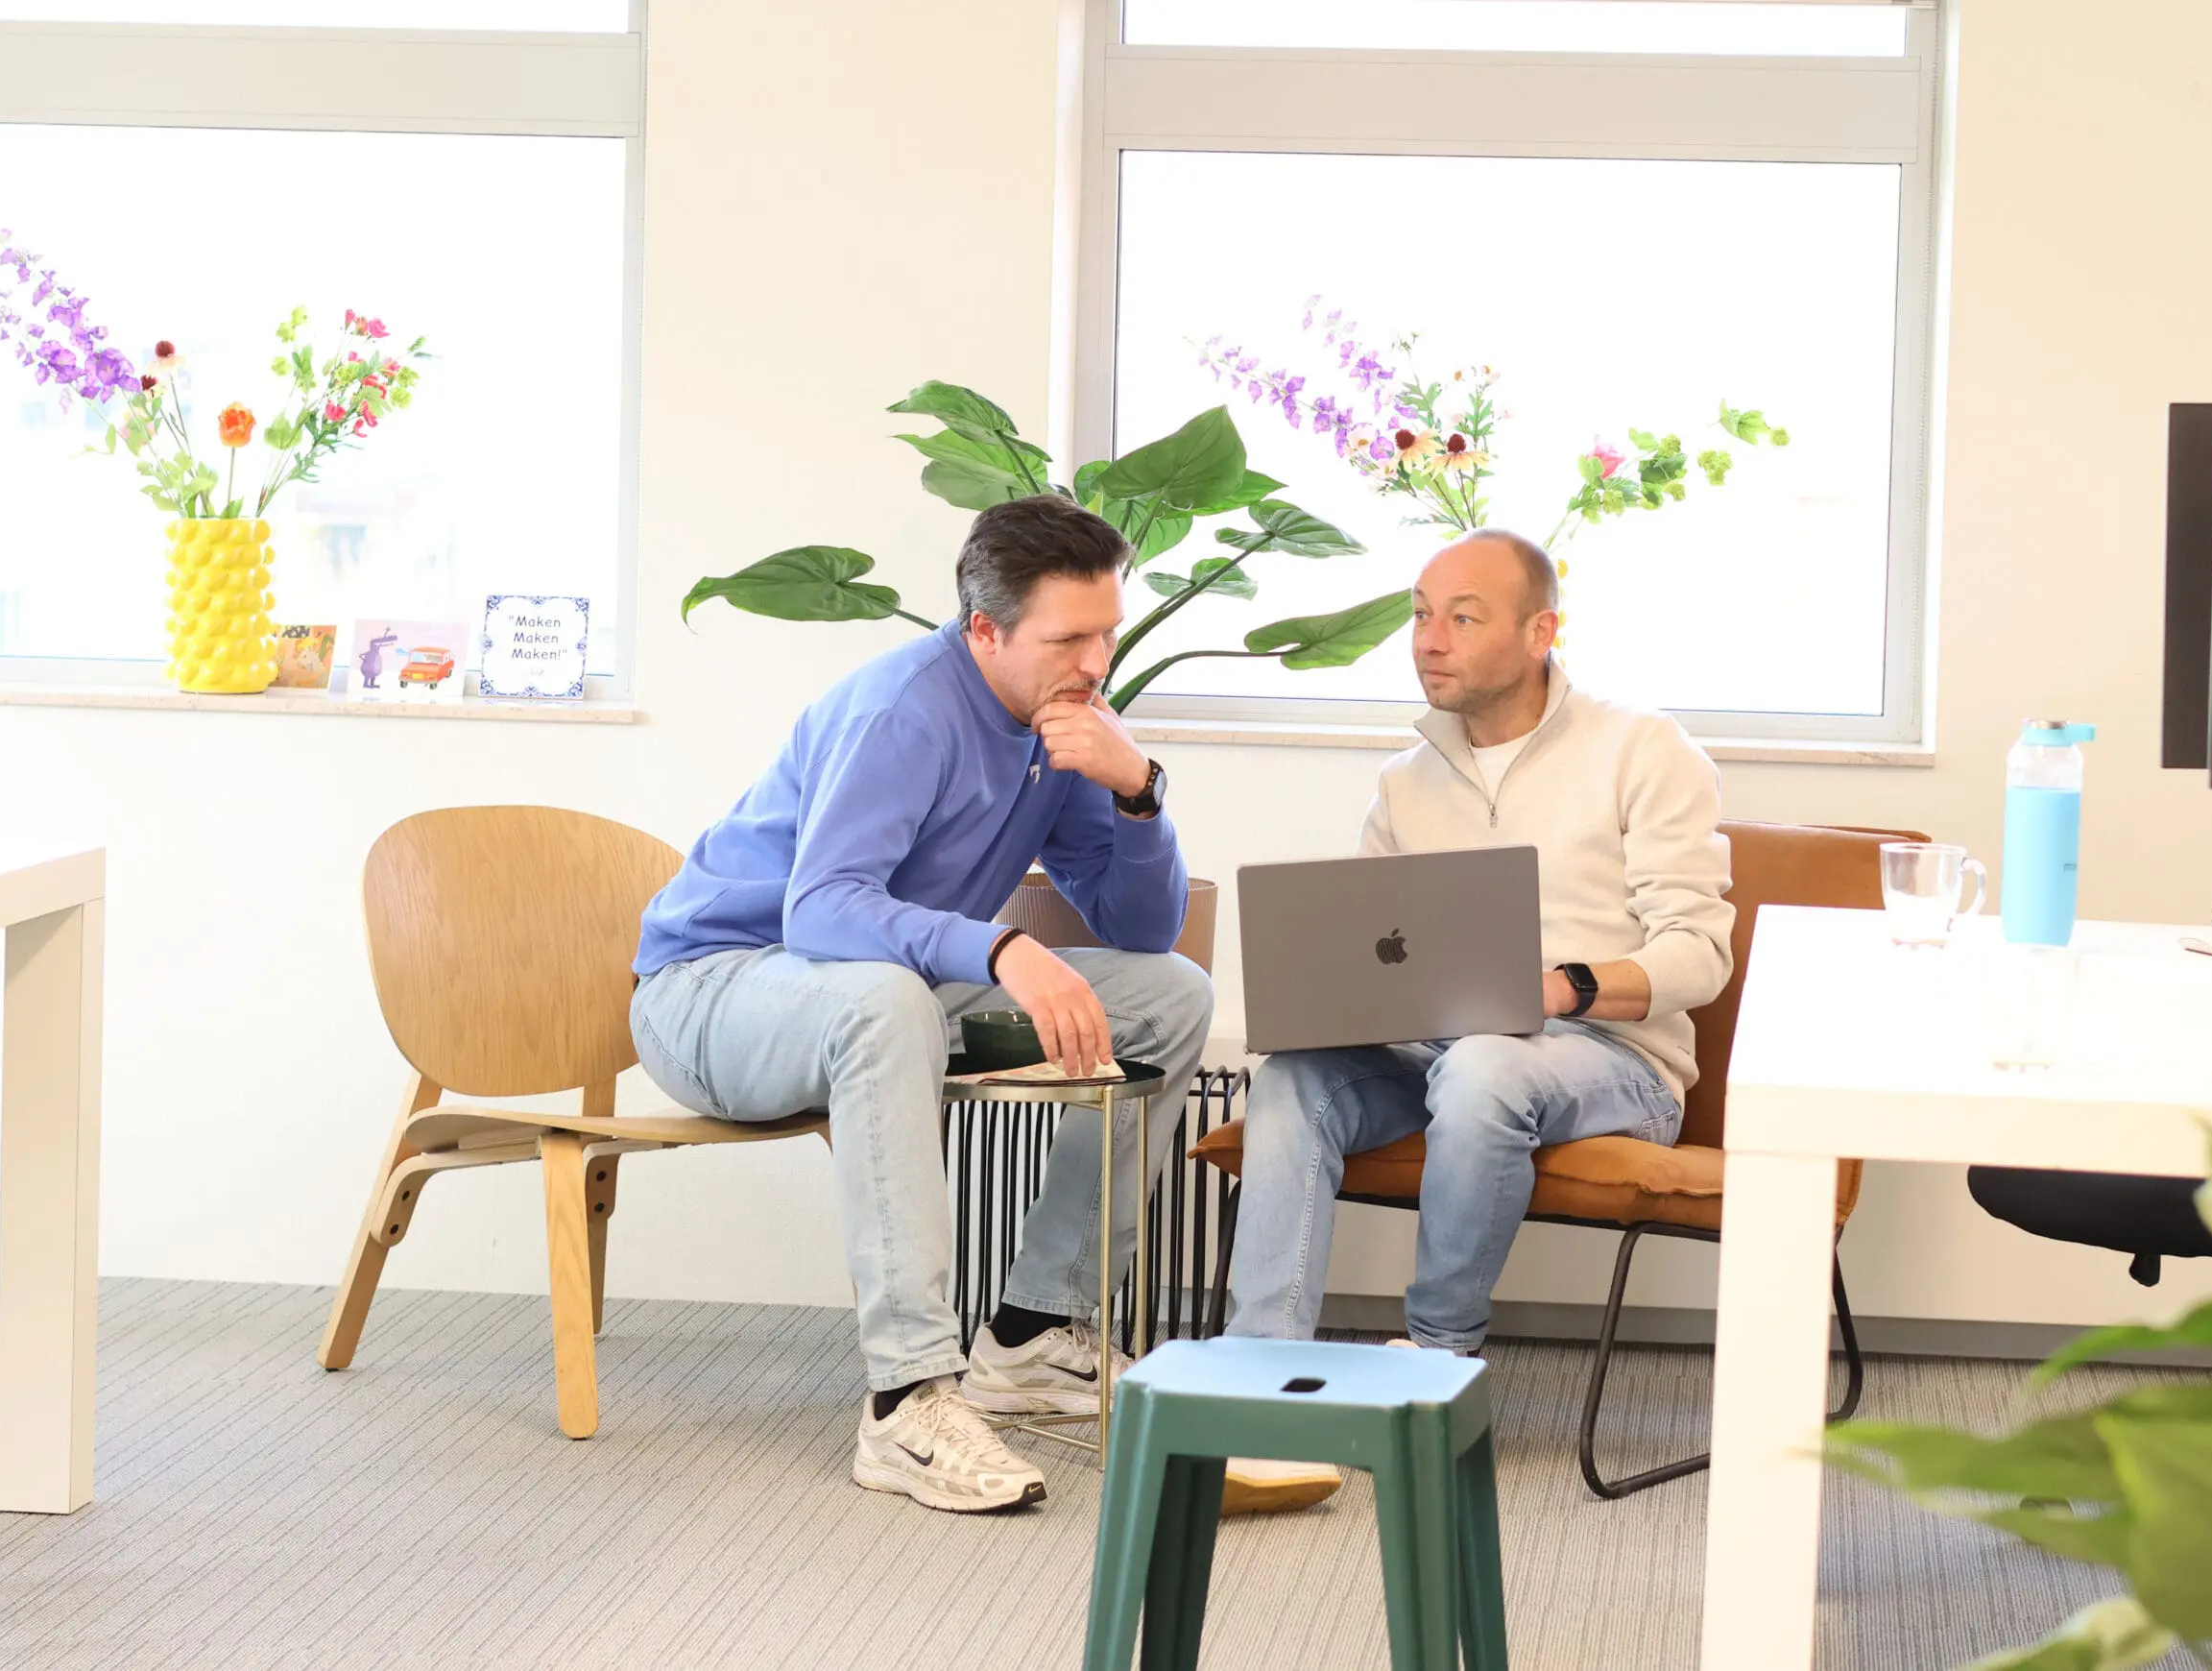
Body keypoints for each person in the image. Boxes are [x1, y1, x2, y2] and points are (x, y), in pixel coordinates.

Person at [630, 494, 1214, 1515]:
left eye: (1108, 632)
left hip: (877, 985)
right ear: (985, 629)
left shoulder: (1060, 723)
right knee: (885, 1003)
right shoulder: (906, 708)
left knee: (1170, 998)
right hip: (715, 991)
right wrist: (1002, 946)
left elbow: (1141, 928)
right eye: (1069, 637)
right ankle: (907, 1398)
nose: (1096, 662)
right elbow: (820, 909)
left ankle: (1035, 1334)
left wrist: (1137, 792)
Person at [1220, 528, 1733, 1514]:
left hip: (1611, 1059)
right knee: (1296, 1077)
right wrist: (1327, 1005)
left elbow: (1698, 954)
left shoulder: (1641, 747)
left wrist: (1560, 988)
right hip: (1441, 1051)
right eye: (1420, 613)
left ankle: (1437, 1362)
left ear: (1541, 630)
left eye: (1462, 616)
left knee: (1491, 1063)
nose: (1428, 639)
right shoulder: (1404, 782)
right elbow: (1371, 944)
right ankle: (1259, 1385)